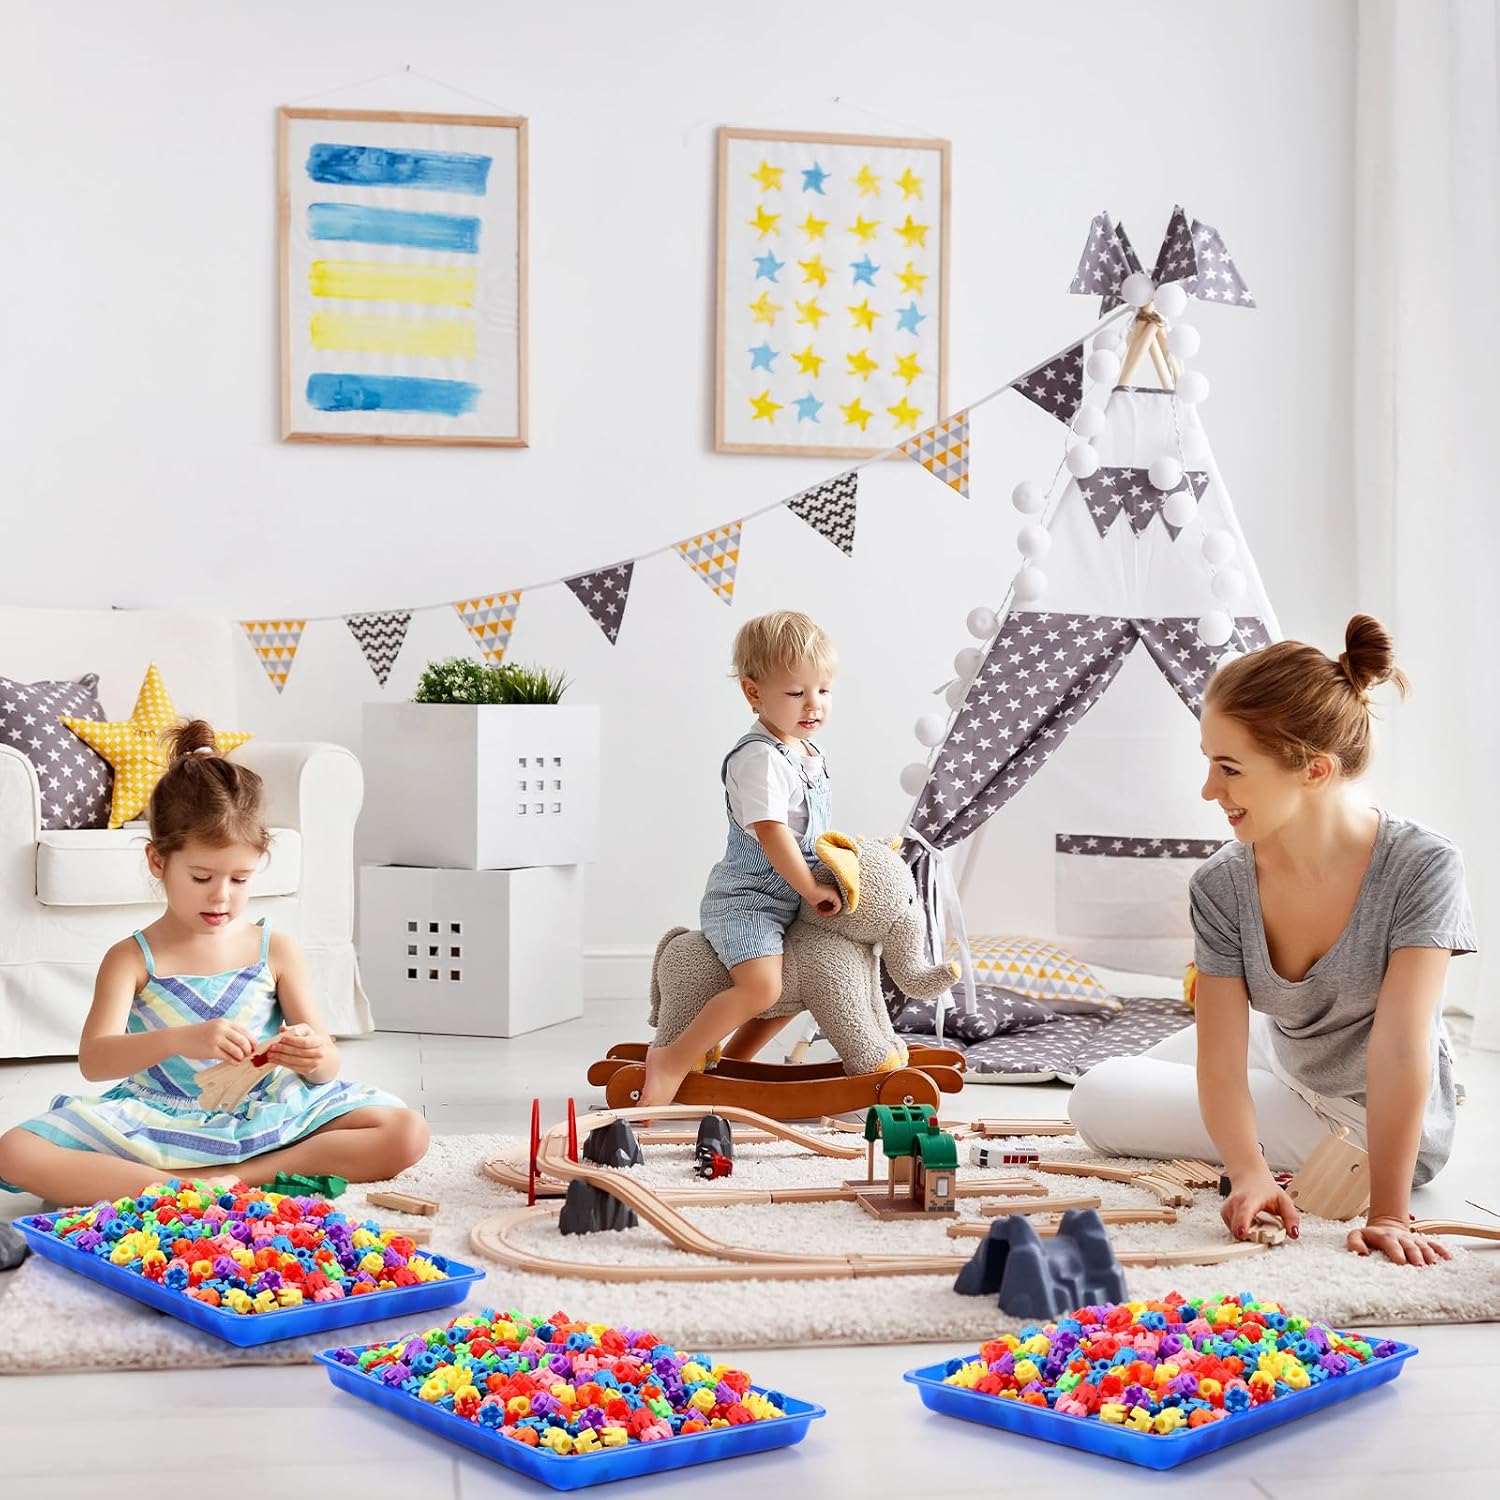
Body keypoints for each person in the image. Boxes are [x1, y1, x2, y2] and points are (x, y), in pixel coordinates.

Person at [1068, 615, 1474, 1266]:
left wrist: (1389, 1214)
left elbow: (1401, 1049)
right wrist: (1249, 1172)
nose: (1209, 790)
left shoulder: (1422, 866)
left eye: (1229, 768)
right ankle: (1261, 1111)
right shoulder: (1222, 883)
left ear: (1314, 770)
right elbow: (1220, 1062)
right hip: (1285, 1049)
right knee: (1144, 1074)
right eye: (1209, 762)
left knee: (1098, 1097)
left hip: (1359, 1121)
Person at [0, 720, 428, 1205]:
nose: (221, 896)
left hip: (264, 1110)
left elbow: (326, 1066)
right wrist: (183, 1038)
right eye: (202, 877)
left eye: (240, 879)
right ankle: (186, 1182)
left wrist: (312, 1055)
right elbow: (94, 1061)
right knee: (14, 1151)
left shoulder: (276, 950)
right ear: (158, 861)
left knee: (406, 1131)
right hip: (159, 1118)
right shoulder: (130, 958)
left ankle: (226, 1179)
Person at [639, 611, 843, 1107]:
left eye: (823, 690)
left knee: (803, 984)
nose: (813, 704)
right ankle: (672, 1059)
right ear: (754, 692)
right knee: (762, 988)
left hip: (788, 900)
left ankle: (736, 1065)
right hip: (748, 901)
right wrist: (810, 887)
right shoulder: (760, 758)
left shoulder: (806, 752)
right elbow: (773, 834)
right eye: (796, 692)